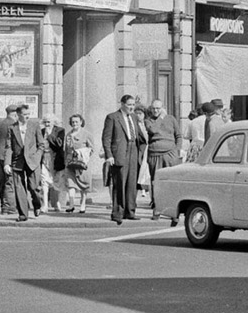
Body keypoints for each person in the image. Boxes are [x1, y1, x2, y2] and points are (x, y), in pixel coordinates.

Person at [102, 93, 147, 223]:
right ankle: (117, 213)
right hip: (119, 154)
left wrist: (140, 152)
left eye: (133, 105)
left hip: (133, 151)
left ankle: (130, 211)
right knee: (119, 184)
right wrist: (109, 155)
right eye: (129, 105)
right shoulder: (112, 117)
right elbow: (106, 138)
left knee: (132, 184)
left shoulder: (134, 117)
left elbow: (140, 137)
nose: (132, 107)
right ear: (122, 104)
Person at [2, 102, 45, 221]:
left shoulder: (34, 125)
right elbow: (9, 147)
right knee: (19, 188)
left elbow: (41, 145)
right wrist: (7, 163)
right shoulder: (12, 128)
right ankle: (23, 214)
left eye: (28, 114)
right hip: (18, 162)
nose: (27, 116)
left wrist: (37, 157)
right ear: (18, 115)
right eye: (25, 114)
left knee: (34, 187)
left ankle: (37, 205)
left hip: (33, 161)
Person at [143, 99, 181, 219]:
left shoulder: (171, 119)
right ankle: (157, 210)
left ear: (163, 107)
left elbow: (178, 135)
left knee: (171, 182)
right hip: (155, 155)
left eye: (158, 108)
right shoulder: (148, 120)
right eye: (153, 108)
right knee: (156, 182)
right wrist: (161, 117)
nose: (155, 111)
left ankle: (173, 211)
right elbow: (153, 130)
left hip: (170, 154)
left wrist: (177, 151)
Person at [62, 113, 96, 212]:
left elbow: (92, 149)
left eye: (76, 122)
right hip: (70, 163)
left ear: (81, 122)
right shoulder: (68, 135)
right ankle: (71, 205)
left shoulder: (87, 134)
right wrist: (66, 161)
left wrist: (81, 153)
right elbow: (66, 149)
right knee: (70, 183)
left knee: (83, 184)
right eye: (72, 122)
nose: (74, 124)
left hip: (82, 163)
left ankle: (83, 204)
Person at [0, 105, 18, 215]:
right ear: (15, 113)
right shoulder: (15, 125)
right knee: (10, 182)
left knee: (2, 182)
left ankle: (3, 206)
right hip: (10, 157)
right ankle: (10, 207)